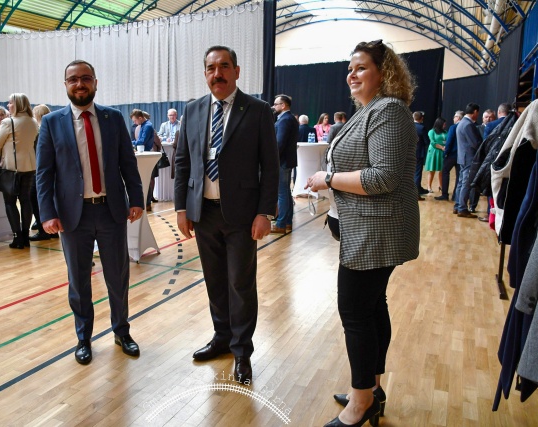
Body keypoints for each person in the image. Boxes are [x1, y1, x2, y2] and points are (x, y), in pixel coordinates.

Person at [305, 39, 419, 426]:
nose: (351, 74)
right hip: (367, 230)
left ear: (383, 73)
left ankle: (360, 404)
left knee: (355, 312)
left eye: (361, 68)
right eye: (350, 69)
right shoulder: (369, 110)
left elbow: (383, 177)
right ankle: (372, 389)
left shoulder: (388, 110)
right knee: (371, 308)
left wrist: (328, 179)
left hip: (376, 234)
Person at [174, 45, 279, 384]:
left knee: (240, 284)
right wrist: (181, 208)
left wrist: (265, 212)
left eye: (223, 66)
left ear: (236, 71)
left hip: (243, 215)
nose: (216, 73)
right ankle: (221, 338)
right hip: (203, 212)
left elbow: (271, 166)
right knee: (215, 281)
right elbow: (182, 162)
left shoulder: (258, 110)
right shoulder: (192, 110)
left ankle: (242, 351)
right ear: (205, 73)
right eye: (210, 68)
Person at [36, 59, 144, 364]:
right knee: (79, 280)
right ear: (65, 85)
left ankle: (121, 331)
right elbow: (44, 173)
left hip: (111, 211)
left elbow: (127, 163)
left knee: (117, 276)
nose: (79, 84)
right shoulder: (51, 123)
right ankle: (83, 338)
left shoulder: (113, 118)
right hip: (73, 216)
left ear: (95, 82)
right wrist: (47, 213)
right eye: (73, 79)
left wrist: (136, 198)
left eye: (85, 78)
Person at [0, 93, 39, 249]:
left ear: (18, 104)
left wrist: (2, 157)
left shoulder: (8, 122)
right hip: (30, 166)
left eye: (10, 103)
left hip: (11, 167)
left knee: (10, 202)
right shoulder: (33, 121)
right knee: (26, 200)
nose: (8, 105)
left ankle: (17, 236)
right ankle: (25, 236)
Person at [29, 104, 57, 241]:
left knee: (35, 196)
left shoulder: (42, 132)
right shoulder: (53, 130)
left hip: (42, 170)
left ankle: (43, 229)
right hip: (53, 171)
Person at [272, 94, 298, 234]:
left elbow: (279, 143)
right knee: (286, 192)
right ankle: (287, 222)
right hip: (287, 160)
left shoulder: (284, 120)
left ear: (283, 105)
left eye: (276, 104)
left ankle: (281, 224)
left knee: (282, 193)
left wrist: (272, 159)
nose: (274, 106)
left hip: (282, 161)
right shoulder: (290, 118)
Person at [454, 102, 482, 218]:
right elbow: (475, 143)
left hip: (462, 157)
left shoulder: (461, 123)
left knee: (461, 183)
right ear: (475, 112)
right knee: (466, 184)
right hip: (469, 158)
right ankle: (462, 208)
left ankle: (457, 206)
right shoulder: (468, 125)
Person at [435, 111, 463, 201]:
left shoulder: (453, 127)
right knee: (459, 176)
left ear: (458, 118)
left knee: (445, 172)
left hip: (451, 154)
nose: (453, 118)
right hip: (461, 155)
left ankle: (444, 194)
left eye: (455, 117)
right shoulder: (466, 127)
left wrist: (445, 153)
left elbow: (449, 141)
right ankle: (455, 195)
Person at [424, 117, 447, 193]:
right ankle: (429, 187)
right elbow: (433, 142)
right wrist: (442, 147)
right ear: (439, 124)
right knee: (432, 170)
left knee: (442, 170)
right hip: (434, 152)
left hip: (443, 152)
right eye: (443, 124)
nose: (445, 125)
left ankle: (441, 186)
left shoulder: (445, 132)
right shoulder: (432, 132)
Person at [413, 111, 430, 198]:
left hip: (408, 152)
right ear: (421, 118)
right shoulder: (422, 128)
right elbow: (427, 141)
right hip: (418, 153)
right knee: (417, 173)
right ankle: (416, 192)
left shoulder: (408, 126)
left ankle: (417, 188)